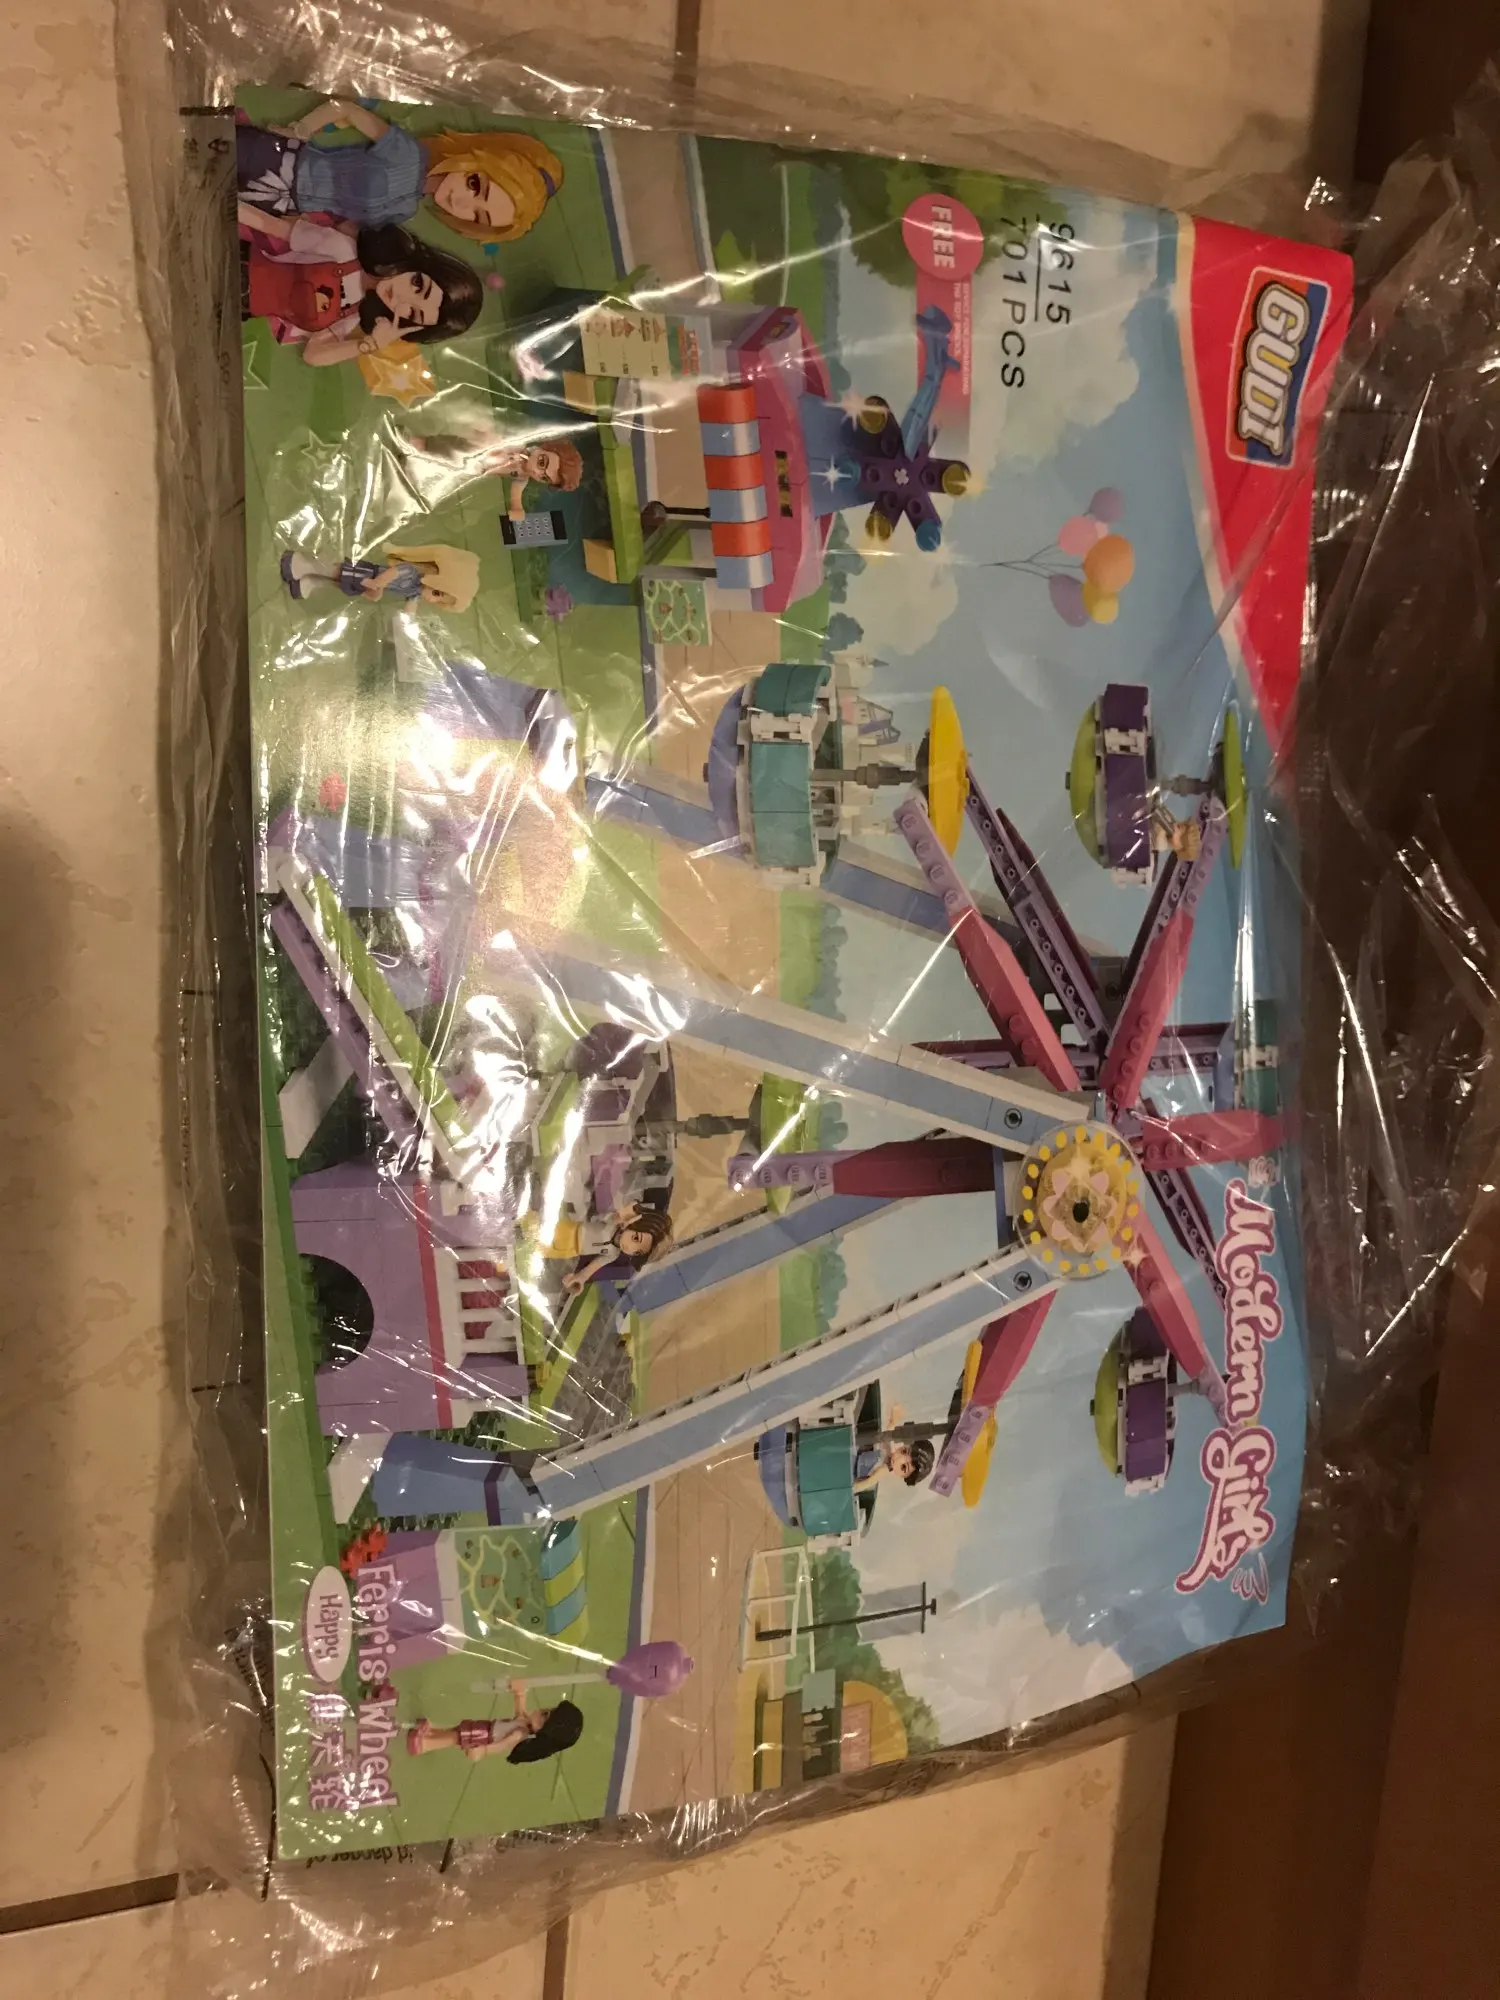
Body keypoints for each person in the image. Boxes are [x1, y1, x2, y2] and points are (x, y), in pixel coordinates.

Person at [237, 101, 564, 242]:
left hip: (283, 204)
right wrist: (298, 130)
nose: (463, 203)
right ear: (477, 161)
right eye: (476, 185)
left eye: (478, 217)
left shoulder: (405, 210)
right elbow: (345, 108)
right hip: (279, 160)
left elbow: (347, 226)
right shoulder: (405, 153)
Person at [239, 211, 482, 364]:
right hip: (239, 262)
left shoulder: (351, 315)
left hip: (241, 308)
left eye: (412, 313)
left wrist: (369, 345)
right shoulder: (341, 249)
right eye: (418, 285)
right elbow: (270, 225)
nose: (402, 298)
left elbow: (312, 355)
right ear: (419, 266)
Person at [402, 429, 584, 519]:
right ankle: (404, 442)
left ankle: (410, 469)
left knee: (437, 469)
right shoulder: (518, 446)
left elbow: (517, 490)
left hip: (472, 468)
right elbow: (491, 437)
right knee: (431, 447)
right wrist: (495, 445)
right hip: (467, 451)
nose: (537, 471)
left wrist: (517, 507)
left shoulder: (522, 474)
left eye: (543, 477)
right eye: (542, 462)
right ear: (544, 448)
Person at [406, 1682, 583, 1764]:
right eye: (547, 1710)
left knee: (456, 1737)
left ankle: (425, 1745)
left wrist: (483, 1751)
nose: (540, 1710)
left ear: (542, 1730)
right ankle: (432, 1732)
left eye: (544, 1715)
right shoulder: (524, 1723)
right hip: (486, 1727)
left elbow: (500, 1746)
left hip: (485, 1736)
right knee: (457, 1730)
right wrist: (520, 1693)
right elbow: (520, 1710)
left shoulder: (519, 1734)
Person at [280, 541, 480, 610]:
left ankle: (313, 581)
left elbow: (410, 607)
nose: (433, 600)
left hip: (371, 585)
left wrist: (408, 622)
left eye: (439, 601)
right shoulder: (411, 572)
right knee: (339, 571)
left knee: (342, 584)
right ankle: (306, 565)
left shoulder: (415, 591)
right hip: (370, 575)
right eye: (437, 594)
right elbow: (392, 573)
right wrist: (378, 583)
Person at [559, 1200, 673, 1296]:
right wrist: (621, 1214)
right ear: (635, 1221)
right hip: (566, 1229)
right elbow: (599, 1210)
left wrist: (580, 1279)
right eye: (636, 1238)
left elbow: (590, 1269)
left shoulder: (613, 1254)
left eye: (637, 1252)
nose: (630, 1248)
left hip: (568, 1250)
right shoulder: (612, 1222)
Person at [854, 1429, 936, 1491]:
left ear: (903, 1476)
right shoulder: (887, 1447)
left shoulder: (883, 1470)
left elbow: (863, 1485)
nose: (897, 1459)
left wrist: (856, 1487)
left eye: (903, 1467)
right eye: (904, 1451)